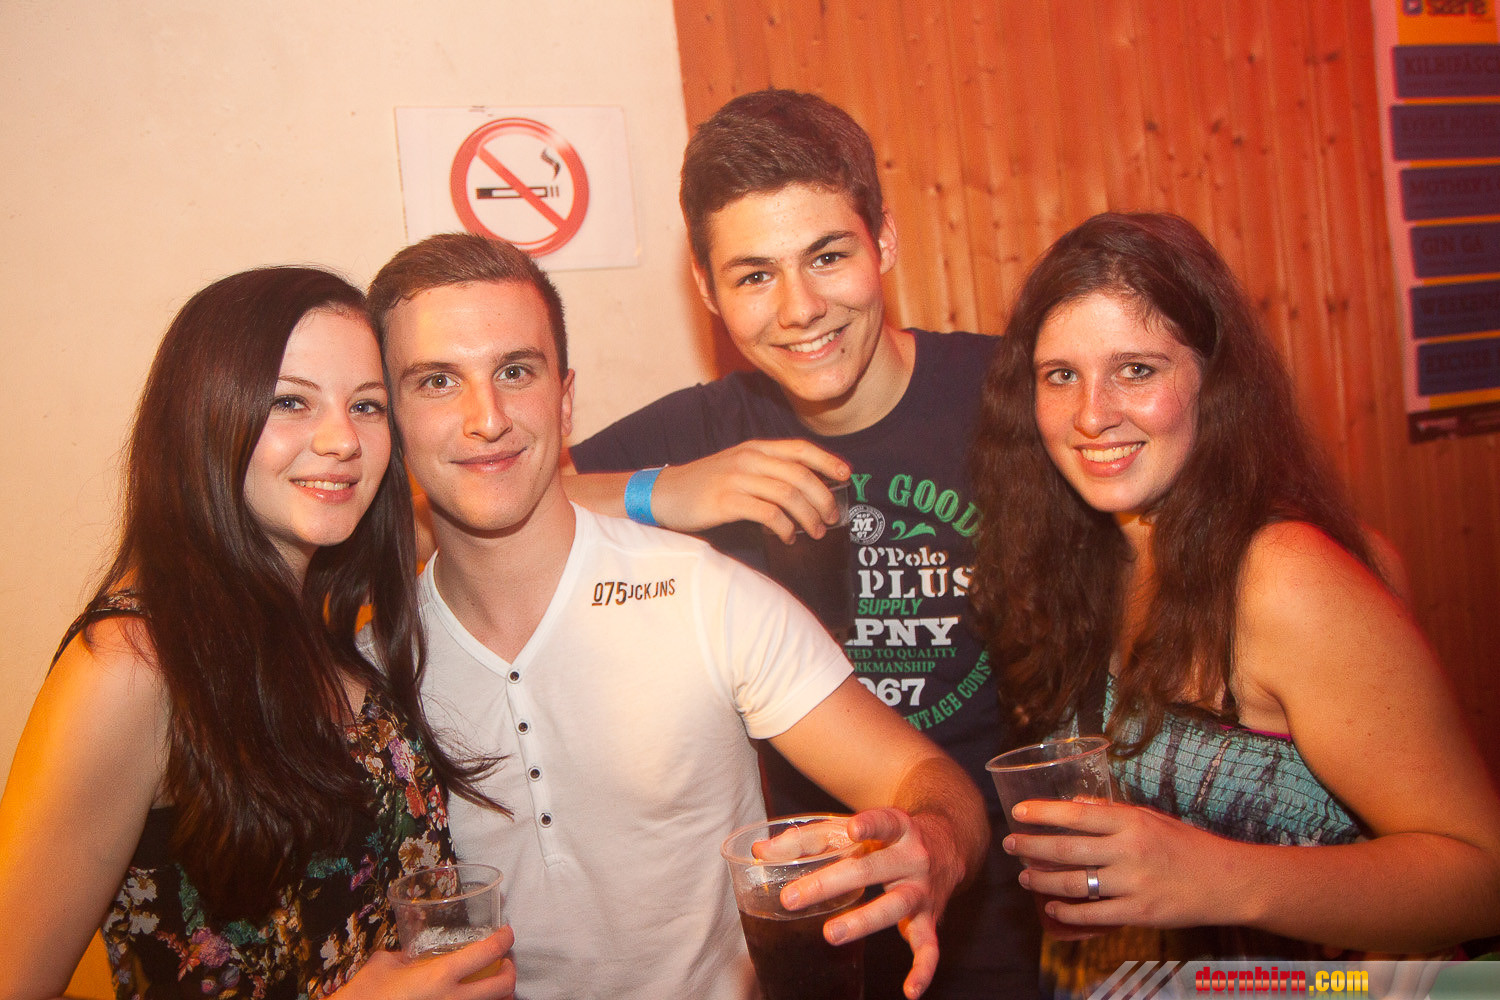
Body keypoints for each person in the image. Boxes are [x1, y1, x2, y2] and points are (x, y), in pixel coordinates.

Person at [365, 231, 989, 1000]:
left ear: (565, 399)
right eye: (437, 382)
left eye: (515, 371)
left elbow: (927, 780)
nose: (486, 417)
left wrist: (934, 840)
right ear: (387, 419)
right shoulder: (371, 668)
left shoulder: (707, 597)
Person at [565, 87, 1037, 1000]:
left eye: (827, 256)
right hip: (808, 924)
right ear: (707, 289)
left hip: (1007, 904)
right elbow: (444, 511)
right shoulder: (703, 431)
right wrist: (664, 490)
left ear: (883, 241)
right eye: (754, 276)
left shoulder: (1008, 394)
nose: (801, 309)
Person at [966, 211, 1500, 995]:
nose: (1091, 414)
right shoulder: (1093, 554)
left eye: (1136, 370)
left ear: (1212, 382)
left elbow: (1481, 875)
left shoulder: (1280, 576)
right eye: (1061, 376)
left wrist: (1217, 878)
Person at [0, 268, 514, 1000]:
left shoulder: (319, 620)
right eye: (290, 401)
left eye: (365, 406)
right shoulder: (131, 666)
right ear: (206, 415)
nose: (341, 440)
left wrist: (658, 491)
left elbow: (498, 494)